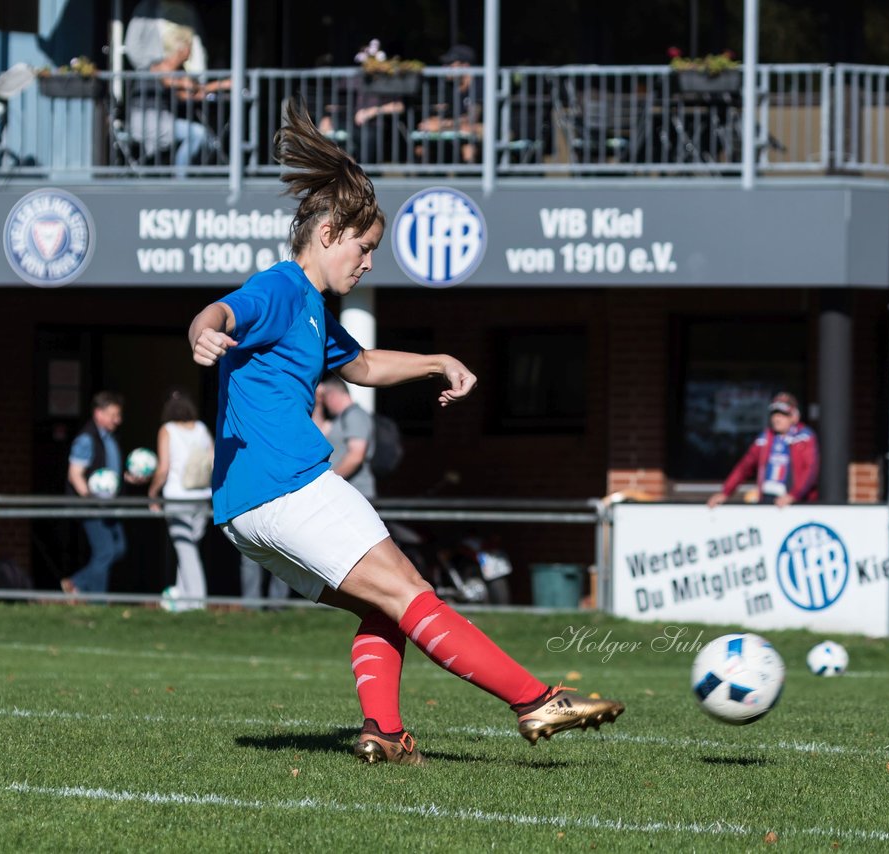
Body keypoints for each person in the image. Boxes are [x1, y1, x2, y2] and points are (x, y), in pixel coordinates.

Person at [187, 100, 623, 765]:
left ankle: (384, 735)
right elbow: (225, 309)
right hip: (291, 485)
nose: (366, 265)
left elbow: (361, 364)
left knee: (386, 608)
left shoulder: (310, 310)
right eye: (363, 250)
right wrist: (204, 330)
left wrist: (435, 362)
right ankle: (535, 699)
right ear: (329, 232)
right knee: (415, 594)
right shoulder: (280, 288)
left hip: (245, 512)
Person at [124, 1, 229, 177]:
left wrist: (222, 85)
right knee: (197, 135)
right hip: (145, 122)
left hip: (162, 120)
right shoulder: (157, 69)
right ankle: (180, 179)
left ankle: (183, 174)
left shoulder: (170, 73)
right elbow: (181, 84)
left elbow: (191, 93)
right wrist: (220, 84)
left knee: (208, 140)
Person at [62, 391, 143, 596]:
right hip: (93, 506)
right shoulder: (86, 439)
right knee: (105, 551)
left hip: (109, 505)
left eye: (119, 415)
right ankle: (97, 600)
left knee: (119, 548)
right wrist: (90, 499)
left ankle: (76, 583)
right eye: (113, 415)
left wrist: (127, 478)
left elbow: (108, 472)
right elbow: (75, 474)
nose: (118, 420)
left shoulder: (110, 438)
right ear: (99, 413)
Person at [147, 389, 214, 611]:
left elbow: (163, 468)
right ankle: (183, 603)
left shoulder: (167, 430)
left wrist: (152, 492)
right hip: (202, 496)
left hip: (177, 496)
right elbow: (213, 462)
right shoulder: (202, 429)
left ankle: (197, 601)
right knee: (189, 548)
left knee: (186, 550)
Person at [708, 392, 820, 508]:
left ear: (794, 416)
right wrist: (726, 492)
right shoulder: (765, 438)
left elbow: (810, 470)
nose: (777, 419)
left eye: (783, 414)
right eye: (774, 414)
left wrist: (793, 495)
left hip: (797, 502)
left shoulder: (804, 437)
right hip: (768, 500)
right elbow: (745, 466)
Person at [415, 44, 484, 164]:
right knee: (422, 145)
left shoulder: (480, 85)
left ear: (465, 65)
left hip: (489, 130)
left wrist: (441, 124)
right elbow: (449, 114)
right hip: (459, 129)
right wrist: (433, 121)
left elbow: (472, 118)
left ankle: (471, 179)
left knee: (468, 141)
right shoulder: (451, 87)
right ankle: (427, 179)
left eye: (450, 64)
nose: (445, 67)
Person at [319, 375, 376, 499]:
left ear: (332, 395)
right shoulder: (339, 419)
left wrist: (330, 481)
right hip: (345, 492)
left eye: (324, 398)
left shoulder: (354, 415)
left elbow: (356, 456)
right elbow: (318, 431)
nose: (325, 404)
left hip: (357, 493)